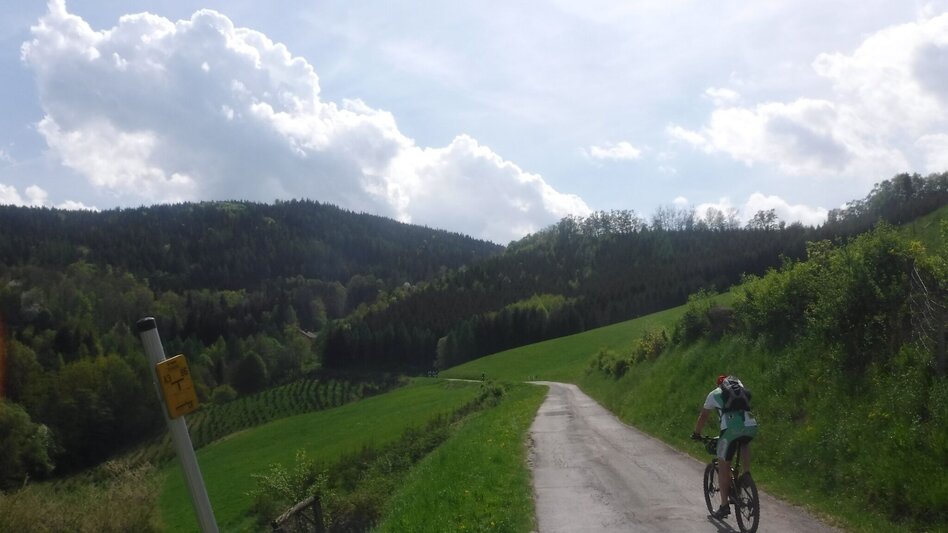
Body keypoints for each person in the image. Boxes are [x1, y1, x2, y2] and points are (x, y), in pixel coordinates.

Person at [692, 374, 758, 519]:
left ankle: (724, 506)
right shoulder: (741, 390)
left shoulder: (714, 394)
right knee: (744, 442)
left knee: (723, 466)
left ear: (719, 385)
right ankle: (746, 475)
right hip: (750, 425)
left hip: (730, 430)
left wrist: (696, 433)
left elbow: (703, 417)